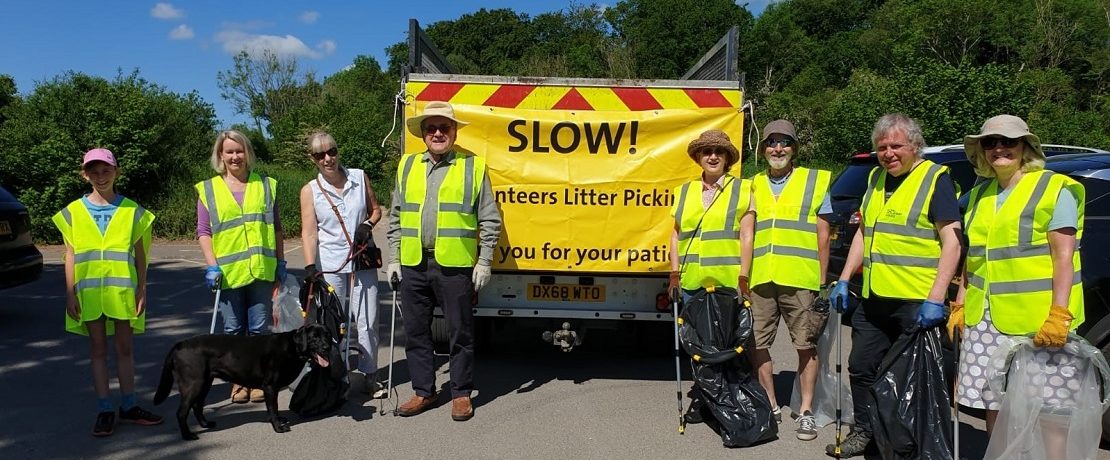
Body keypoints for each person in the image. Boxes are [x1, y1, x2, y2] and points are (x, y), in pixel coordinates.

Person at [826, 114, 963, 457]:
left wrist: (936, 299)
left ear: (915, 146)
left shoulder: (935, 179)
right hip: (874, 300)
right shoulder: (875, 178)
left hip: (916, 302)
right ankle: (866, 431)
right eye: (882, 147)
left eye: (896, 146)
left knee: (911, 379)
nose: (888, 153)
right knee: (861, 367)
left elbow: (953, 242)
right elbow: (863, 232)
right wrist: (843, 279)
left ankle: (907, 443)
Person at [950, 115, 1085, 455]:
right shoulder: (978, 195)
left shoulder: (1055, 188)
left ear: (1025, 146)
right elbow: (975, 256)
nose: (999, 148)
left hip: (1040, 321)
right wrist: (961, 302)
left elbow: (1063, 257)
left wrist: (1059, 313)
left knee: (1050, 406)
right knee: (992, 401)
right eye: (990, 142)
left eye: (1008, 141)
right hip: (985, 317)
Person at [386, 101, 502, 421]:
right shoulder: (407, 165)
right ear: (423, 134)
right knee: (416, 333)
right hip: (413, 263)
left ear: (454, 131)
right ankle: (424, 392)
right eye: (431, 128)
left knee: (459, 333)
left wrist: (484, 260)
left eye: (444, 128)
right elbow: (396, 215)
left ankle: (461, 394)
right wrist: (393, 258)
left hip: (454, 266)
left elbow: (490, 219)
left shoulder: (472, 166)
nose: (438, 133)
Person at [52, 148, 163, 436]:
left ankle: (128, 405)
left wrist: (142, 289)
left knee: (124, 350)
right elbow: (71, 255)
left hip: (122, 291)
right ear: (85, 174)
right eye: (94, 171)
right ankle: (104, 408)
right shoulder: (73, 213)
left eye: (106, 170)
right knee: (98, 350)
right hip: (88, 294)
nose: (100, 177)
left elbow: (141, 256)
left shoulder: (132, 210)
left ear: (117, 172)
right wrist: (70, 292)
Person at [744, 120, 832, 441]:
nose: (777, 148)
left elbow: (824, 236)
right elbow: (746, 234)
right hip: (760, 279)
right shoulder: (751, 184)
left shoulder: (815, 181)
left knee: (806, 346)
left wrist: (823, 283)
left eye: (784, 143)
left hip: (800, 278)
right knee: (757, 343)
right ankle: (770, 404)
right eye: (771, 142)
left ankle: (806, 410)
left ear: (794, 148)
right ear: (763, 148)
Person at [668, 129, 755, 422]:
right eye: (706, 152)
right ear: (699, 158)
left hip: (726, 282)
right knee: (698, 347)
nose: (713, 156)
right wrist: (674, 274)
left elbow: (747, 235)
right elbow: (676, 235)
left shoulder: (742, 189)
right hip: (693, 281)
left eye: (719, 152)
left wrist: (744, 276)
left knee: (727, 346)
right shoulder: (684, 191)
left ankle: (728, 400)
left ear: (728, 158)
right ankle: (707, 399)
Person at [195, 130, 287, 404]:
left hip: (260, 269)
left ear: (248, 153)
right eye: (229, 152)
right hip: (228, 273)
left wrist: (281, 261)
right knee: (234, 331)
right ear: (220, 156)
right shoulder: (208, 189)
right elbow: (204, 231)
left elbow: (277, 228)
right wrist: (211, 266)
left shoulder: (266, 185)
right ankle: (237, 383)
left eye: (239, 150)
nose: (235, 156)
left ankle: (258, 381)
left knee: (259, 330)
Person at [299, 131, 385, 397]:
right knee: (332, 323)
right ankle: (337, 375)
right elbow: (310, 232)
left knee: (367, 319)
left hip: (362, 258)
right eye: (320, 155)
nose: (328, 158)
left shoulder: (359, 177)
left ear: (338, 150)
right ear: (312, 158)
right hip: (331, 264)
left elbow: (376, 209)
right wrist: (310, 266)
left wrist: (368, 224)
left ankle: (370, 374)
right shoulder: (310, 190)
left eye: (332, 151)